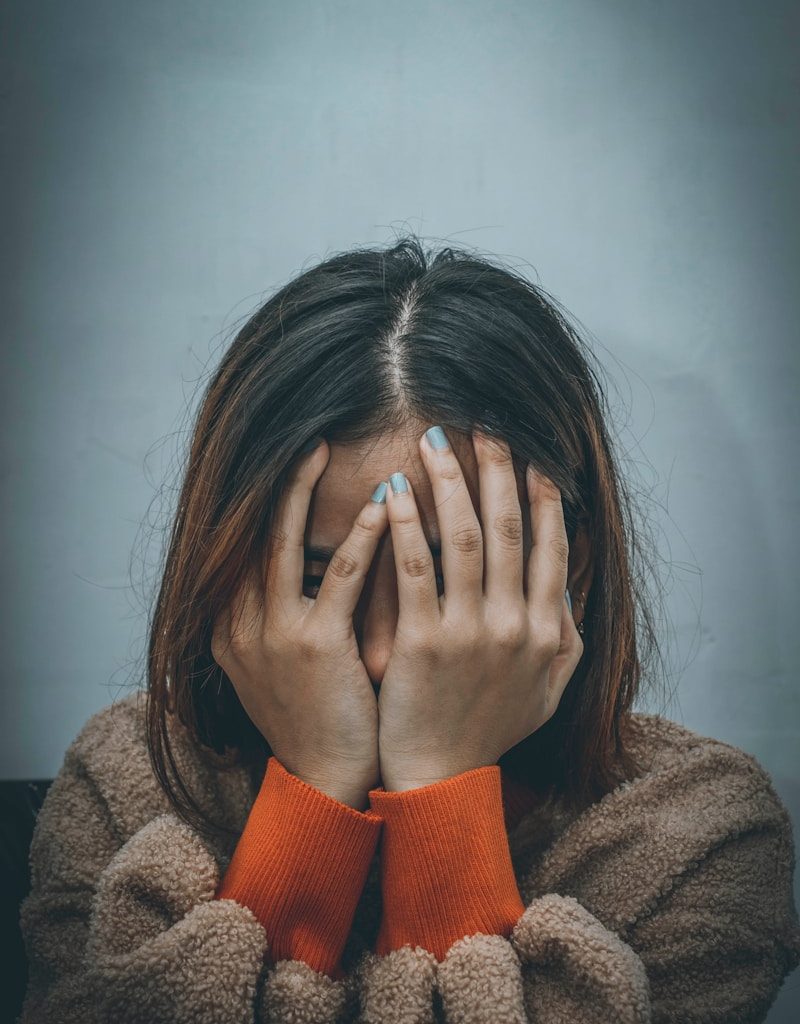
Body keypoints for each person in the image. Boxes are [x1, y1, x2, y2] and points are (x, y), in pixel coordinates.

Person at [19, 236, 800, 1023]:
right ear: (227, 571)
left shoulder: (698, 837)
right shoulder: (130, 783)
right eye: (324, 583)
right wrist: (316, 791)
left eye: (454, 582)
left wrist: (439, 785)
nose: (388, 650)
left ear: (574, 566)